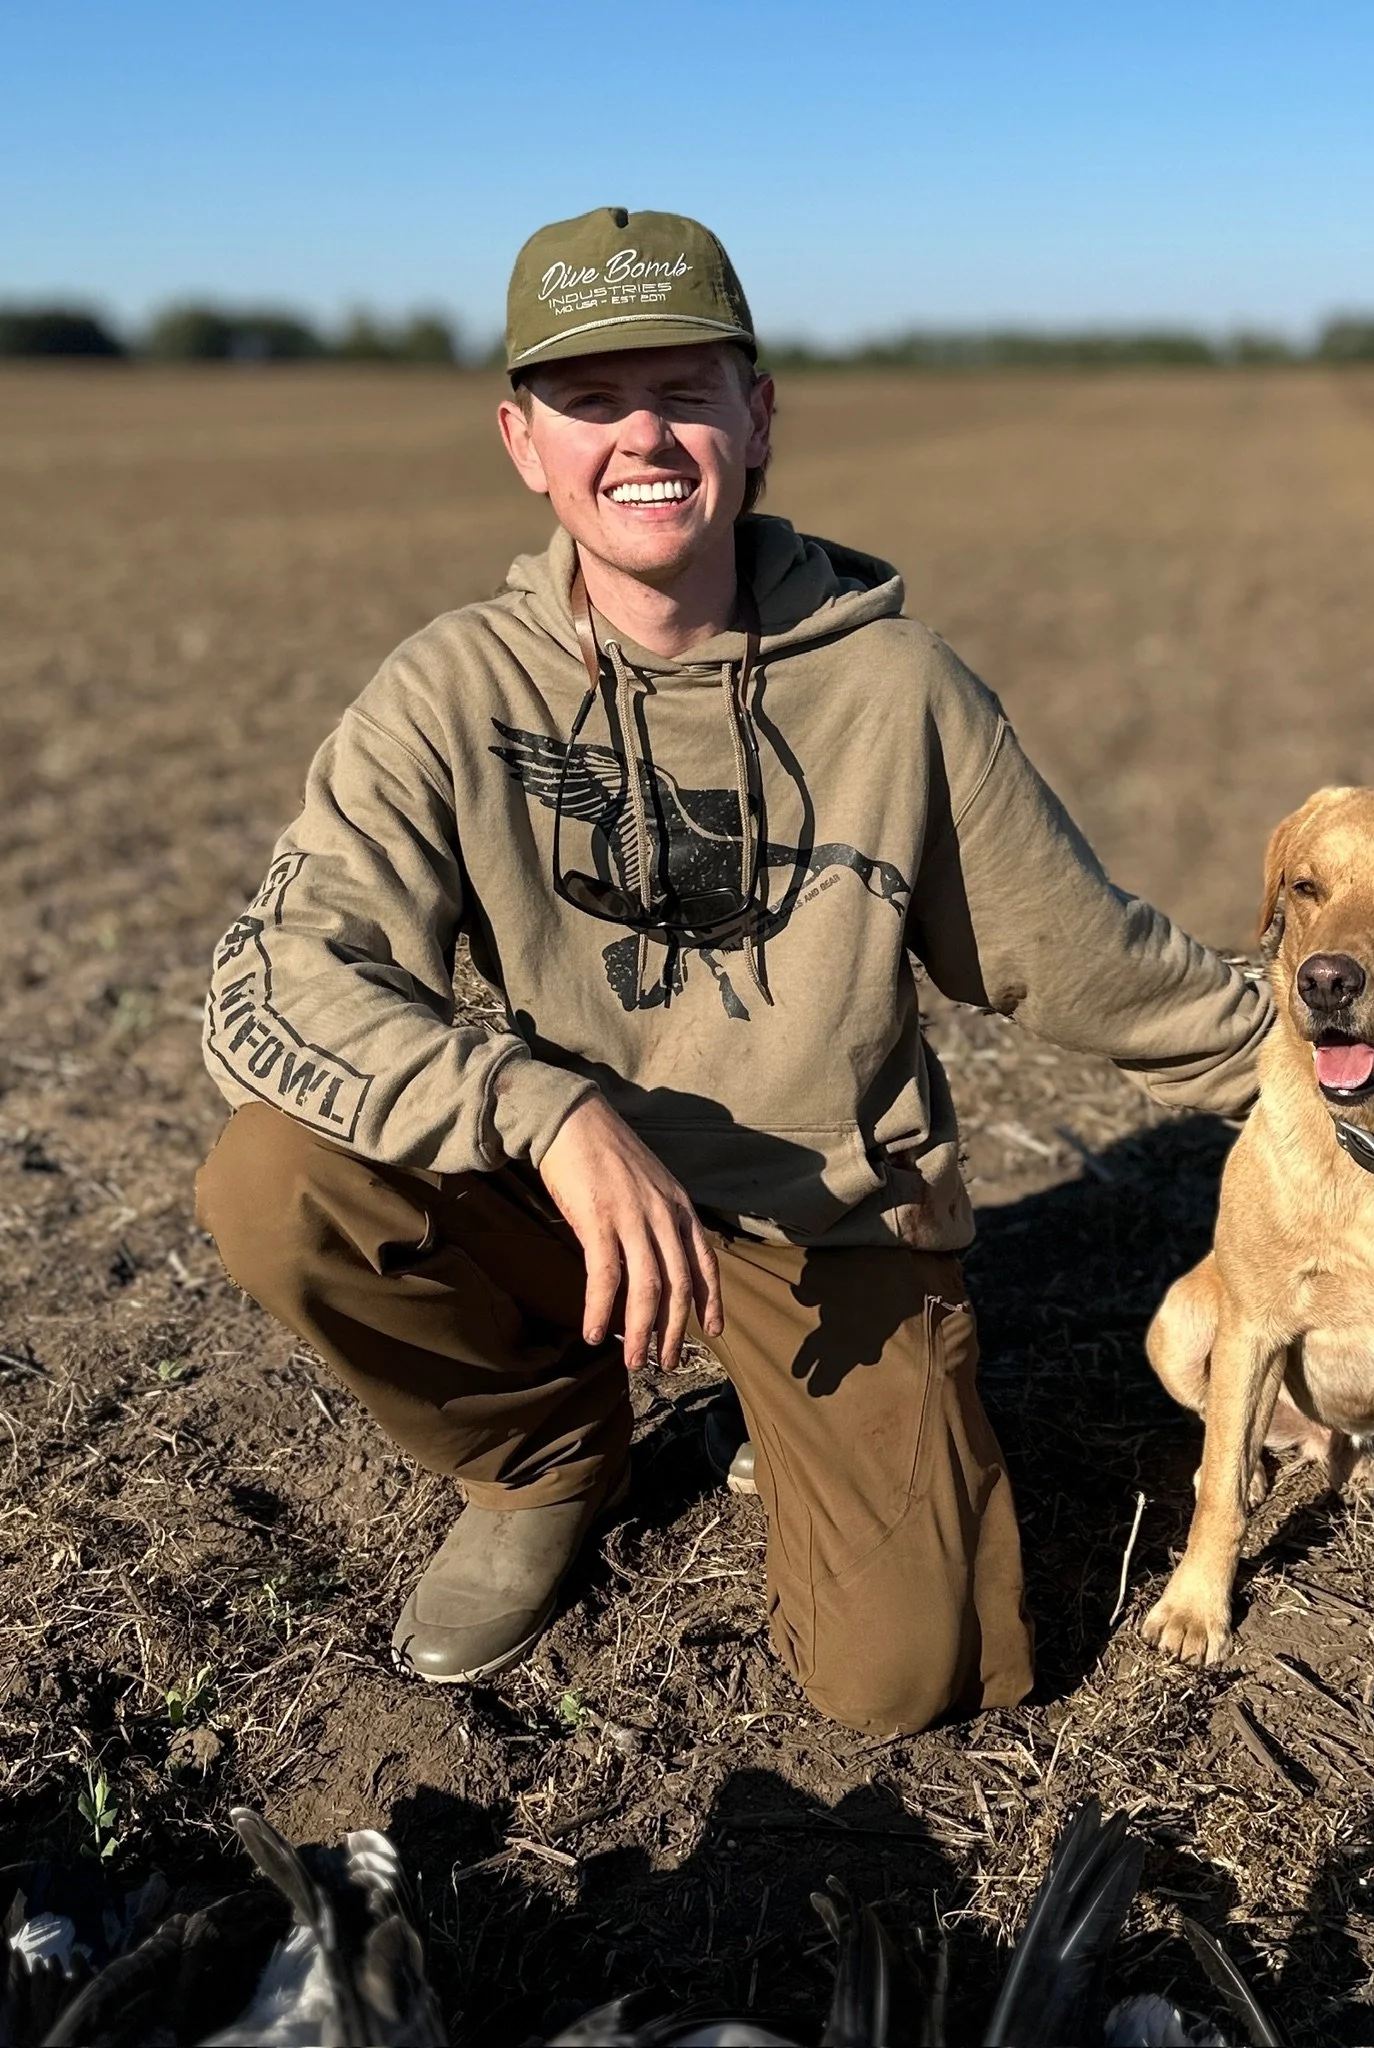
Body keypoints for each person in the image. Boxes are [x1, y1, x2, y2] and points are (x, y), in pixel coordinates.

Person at [195, 206, 1271, 1736]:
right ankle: (545, 1459)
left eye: (685, 390)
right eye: (589, 400)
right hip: (574, 1198)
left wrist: (1356, 1068)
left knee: (919, 1678)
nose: (643, 435)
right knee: (276, 1178)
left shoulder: (896, 691)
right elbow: (274, 981)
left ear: (756, 415)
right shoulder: (453, 690)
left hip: (822, 1222)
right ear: (523, 441)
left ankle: (796, 1412)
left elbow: (1094, 967)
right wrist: (541, 1113)